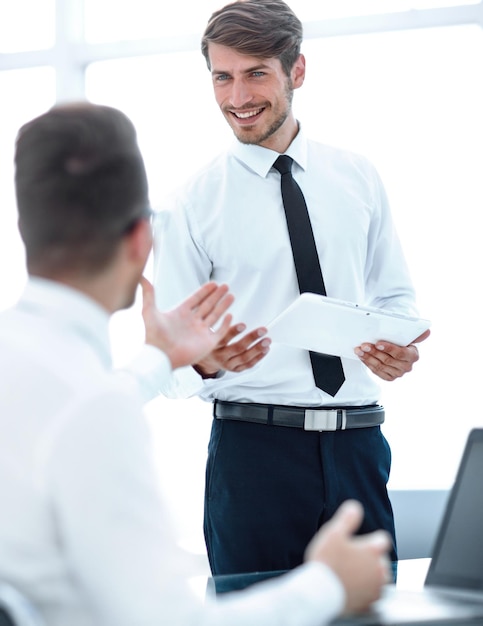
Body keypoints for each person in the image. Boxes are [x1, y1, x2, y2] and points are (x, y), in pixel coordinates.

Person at [0, 101, 391, 626]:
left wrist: (161, 361)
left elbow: (69, 404)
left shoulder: (33, 363)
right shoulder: (96, 409)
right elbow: (168, 620)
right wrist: (326, 585)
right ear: (142, 240)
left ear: (26, 226)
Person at [152, 0, 430, 577]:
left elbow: (396, 299)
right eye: (222, 78)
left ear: (296, 71)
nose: (237, 98)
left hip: (359, 446)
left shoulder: (357, 176)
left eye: (256, 74)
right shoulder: (190, 205)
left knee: (372, 614)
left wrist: (396, 348)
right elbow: (170, 363)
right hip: (253, 456)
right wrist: (205, 362)